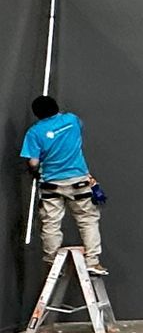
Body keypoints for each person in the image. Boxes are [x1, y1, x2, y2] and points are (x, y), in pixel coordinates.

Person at [20, 95, 105, 275]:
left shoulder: (34, 132)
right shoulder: (72, 120)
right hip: (78, 181)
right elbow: (77, 129)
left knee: (51, 223)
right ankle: (92, 261)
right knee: (87, 220)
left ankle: (52, 264)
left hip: (51, 183)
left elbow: (33, 163)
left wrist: (35, 169)